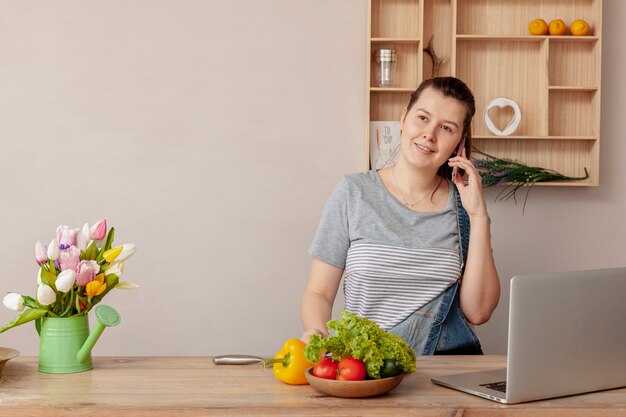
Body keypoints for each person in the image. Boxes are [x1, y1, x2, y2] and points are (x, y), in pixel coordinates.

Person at [300, 76, 500, 355]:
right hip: (366, 370)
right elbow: (319, 293)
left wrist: (479, 216)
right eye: (422, 118)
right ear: (404, 118)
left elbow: (478, 312)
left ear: (459, 143)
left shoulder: (465, 208)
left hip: (441, 372)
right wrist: (317, 331)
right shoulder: (353, 192)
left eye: (446, 128)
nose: (429, 134)